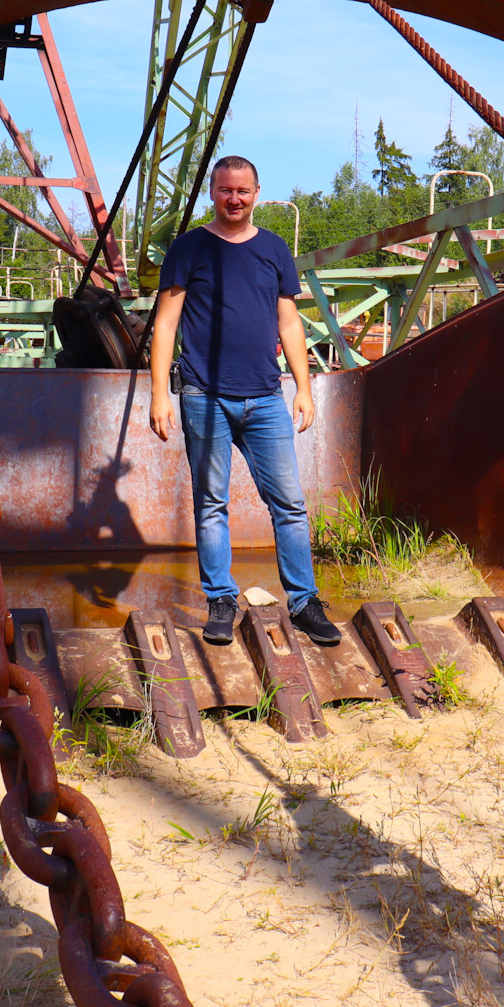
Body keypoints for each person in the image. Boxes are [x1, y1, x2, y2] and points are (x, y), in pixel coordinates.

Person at [147, 155, 342, 648]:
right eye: (225, 190)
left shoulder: (275, 250)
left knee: (291, 506)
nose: (234, 199)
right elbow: (165, 324)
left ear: (257, 193)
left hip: (265, 398)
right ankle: (221, 601)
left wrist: (304, 386)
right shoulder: (189, 248)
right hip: (203, 398)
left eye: (243, 191)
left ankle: (304, 603)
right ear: (213, 191)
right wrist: (158, 396)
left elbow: (289, 322)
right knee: (212, 504)